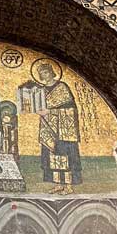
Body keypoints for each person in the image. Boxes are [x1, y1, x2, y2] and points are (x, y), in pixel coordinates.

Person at [36, 61, 82, 193]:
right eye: (41, 73)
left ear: (51, 72)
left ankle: (68, 186)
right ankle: (57, 184)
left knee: (65, 155)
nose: (44, 75)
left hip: (63, 129)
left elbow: (70, 108)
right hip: (49, 126)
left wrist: (50, 111)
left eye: (46, 71)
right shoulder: (41, 90)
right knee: (52, 155)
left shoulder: (61, 87)